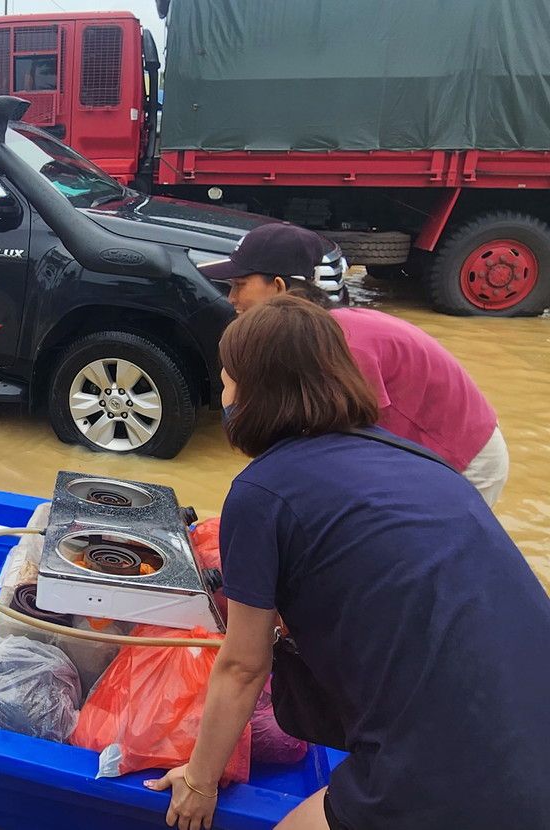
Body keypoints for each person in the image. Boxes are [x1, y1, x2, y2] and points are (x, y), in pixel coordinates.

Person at [144, 295, 550, 830]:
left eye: (226, 381)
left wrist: (198, 783)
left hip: (460, 775)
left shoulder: (262, 492)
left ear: (254, 392)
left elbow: (243, 666)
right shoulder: (419, 459)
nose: (223, 394)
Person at [200, 223, 509, 504]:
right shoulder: (314, 335)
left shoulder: (343, 345)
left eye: (239, 284)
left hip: (464, 458)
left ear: (278, 287)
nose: (231, 298)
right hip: (414, 452)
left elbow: (349, 453)